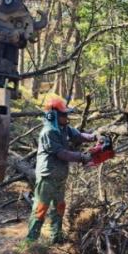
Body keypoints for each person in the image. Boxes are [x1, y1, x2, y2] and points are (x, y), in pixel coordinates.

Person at [24, 96, 96, 246]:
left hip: (60, 175)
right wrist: (82, 157)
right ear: (53, 115)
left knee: (59, 208)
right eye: (64, 114)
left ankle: (55, 237)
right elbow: (62, 153)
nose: (66, 117)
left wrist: (94, 137)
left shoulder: (64, 128)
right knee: (41, 208)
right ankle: (31, 241)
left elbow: (78, 135)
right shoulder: (48, 132)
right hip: (48, 176)